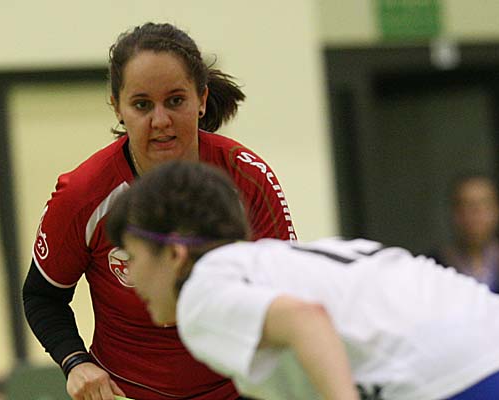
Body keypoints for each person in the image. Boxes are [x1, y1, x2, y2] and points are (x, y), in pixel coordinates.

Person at [22, 22, 295, 400]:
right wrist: (75, 361)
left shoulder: (248, 179)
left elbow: (285, 294)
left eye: (176, 101)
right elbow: (42, 296)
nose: (161, 120)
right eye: (142, 105)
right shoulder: (82, 195)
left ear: (201, 99)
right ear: (117, 107)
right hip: (125, 394)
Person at [106, 160, 499, 400]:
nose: (131, 274)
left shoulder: (201, 293)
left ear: (174, 254)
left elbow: (306, 320)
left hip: (458, 370)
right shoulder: (269, 262)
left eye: (133, 256)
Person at [430, 173, 499, 294]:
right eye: (465, 205)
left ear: (498, 210)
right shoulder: (433, 268)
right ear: (453, 213)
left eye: (484, 205)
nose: (475, 214)